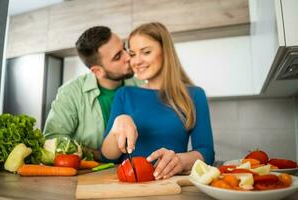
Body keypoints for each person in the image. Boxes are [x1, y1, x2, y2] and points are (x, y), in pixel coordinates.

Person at [101, 22, 215, 179]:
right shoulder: (124, 94)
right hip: (128, 185)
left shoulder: (194, 95)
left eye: (146, 52)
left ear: (165, 52)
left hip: (170, 184)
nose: (136, 61)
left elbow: (206, 152)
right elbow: (107, 156)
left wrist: (181, 161)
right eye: (133, 54)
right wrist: (118, 124)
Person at [43, 26, 140, 161]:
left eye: (124, 48)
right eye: (118, 56)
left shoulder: (141, 85)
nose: (128, 57)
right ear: (97, 71)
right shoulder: (70, 93)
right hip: (91, 174)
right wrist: (99, 155)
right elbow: (52, 139)